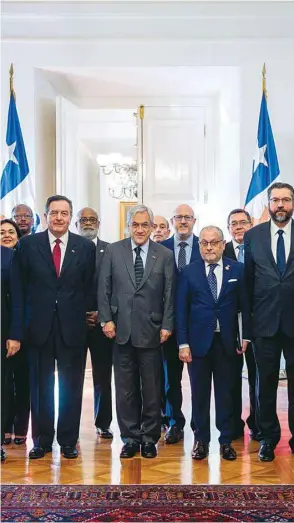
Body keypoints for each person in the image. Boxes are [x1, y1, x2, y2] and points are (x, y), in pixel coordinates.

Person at [15, 195, 96, 459]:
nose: (59, 217)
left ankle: (69, 440)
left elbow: (89, 287)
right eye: (54, 213)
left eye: (64, 213)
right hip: (38, 328)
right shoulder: (28, 245)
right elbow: (19, 289)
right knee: (41, 387)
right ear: (46, 215)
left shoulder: (84, 247)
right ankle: (41, 440)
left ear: (70, 216)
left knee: (72, 386)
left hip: (72, 328)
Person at [98, 204, 174, 459]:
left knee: (152, 388)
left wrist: (167, 324)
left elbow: (170, 294)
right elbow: (104, 288)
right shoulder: (113, 250)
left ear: (152, 227)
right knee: (125, 389)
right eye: (135, 225)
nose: (140, 229)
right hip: (120, 331)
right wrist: (106, 320)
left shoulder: (164, 254)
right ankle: (130, 438)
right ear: (128, 226)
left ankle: (149, 438)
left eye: (145, 225)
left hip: (152, 332)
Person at [177, 226, 250, 461]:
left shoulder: (236, 268)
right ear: (200, 246)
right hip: (197, 344)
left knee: (226, 394)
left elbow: (245, 307)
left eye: (214, 243)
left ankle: (226, 440)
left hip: (227, 343)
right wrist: (182, 343)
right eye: (204, 243)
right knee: (199, 395)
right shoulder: (189, 272)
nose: (209, 247)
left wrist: (245, 336)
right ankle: (201, 440)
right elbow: (181, 311)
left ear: (222, 244)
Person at [244, 181, 294, 461]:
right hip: (264, 324)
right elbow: (248, 284)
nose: (280, 206)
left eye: (286, 200)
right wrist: (248, 328)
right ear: (269, 205)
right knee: (264, 384)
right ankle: (267, 437)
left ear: (292, 204)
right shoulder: (254, 236)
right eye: (276, 200)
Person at [161, 204, 200, 444]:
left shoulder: (205, 247)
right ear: (172, 220)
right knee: (170, 380)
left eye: (187, 217)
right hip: (169, 326)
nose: (183, 221)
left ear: (194, 220)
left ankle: (200, 423)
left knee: (199, 380)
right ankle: (174, 422)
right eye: (179, 217)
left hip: (198, 327)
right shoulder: (161, 249)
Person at [76, 207, 113, 439]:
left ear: (98, 222)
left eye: (92, 219)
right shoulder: (71, 248)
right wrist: (81, 313)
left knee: (102, 376)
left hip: (102, 323)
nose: (88, 223)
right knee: (73, 378)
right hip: (75, 324)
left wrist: (102, 313)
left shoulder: (110, 250)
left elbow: (115, 287)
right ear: (76, 224)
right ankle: (71, 426)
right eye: (83, 220)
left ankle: (103, 423)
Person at [224, 209, 258, 440]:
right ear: (228, 228)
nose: (239, 227)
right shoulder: (221, 250)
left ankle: (257, 422)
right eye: (234, 224)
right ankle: (233, 423)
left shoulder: (260, 247)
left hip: (258, 322)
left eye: (243, 222)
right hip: (230, 324)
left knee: (258, 377)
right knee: (231, 377)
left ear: (251, 224)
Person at [0, 219, 30, 446]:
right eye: (2, 232)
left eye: (11, 232)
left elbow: (20, 300)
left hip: (18, 331)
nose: (7, 235)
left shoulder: (18, 258)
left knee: (19, 382)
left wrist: (16, 333)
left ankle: (18, 428)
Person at [1, 246, 23, 461]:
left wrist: (15, 334)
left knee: (1, 388)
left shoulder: (7, 256)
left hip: (2, 332)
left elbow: (17, 300)